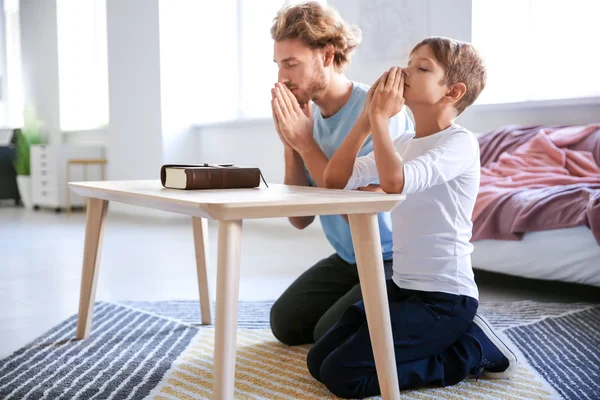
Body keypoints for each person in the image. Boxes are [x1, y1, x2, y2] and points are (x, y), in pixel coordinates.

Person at [307, 36, 518, 399]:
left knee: (343, 377)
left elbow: (394, 182)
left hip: (444, 299)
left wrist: (377, 118)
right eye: (409, 62)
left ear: (453, 91)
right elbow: (334, 180)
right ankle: (459, 338)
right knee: (318, 361)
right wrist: (364, 122)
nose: (405, 71)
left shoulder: (460, 144)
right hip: (403, 288)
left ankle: (472, 350)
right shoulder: (402, 142)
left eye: (421, 68)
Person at [268, 1, 414, 345]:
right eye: (278, 64)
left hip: (394, 258)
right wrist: (290, 143)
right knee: (285, 323)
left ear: (327, 56)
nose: (281, 77)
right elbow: (300, 219)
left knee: (327, 335)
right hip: (351, 258)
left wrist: (306, 145)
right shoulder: (309, 121)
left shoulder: (377, 111)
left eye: (291, 63)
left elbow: (359, 213)